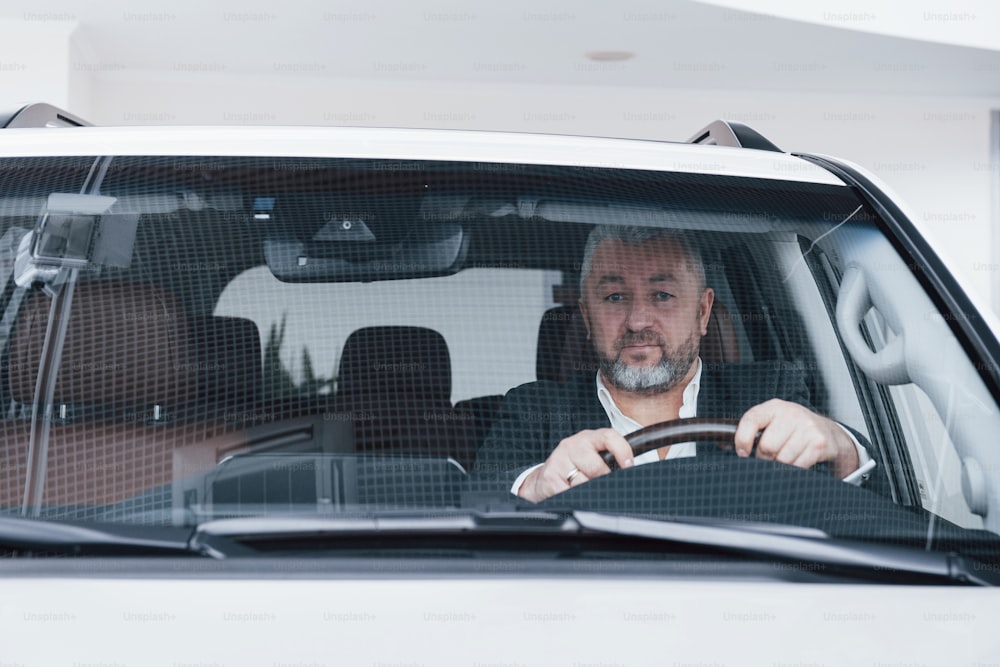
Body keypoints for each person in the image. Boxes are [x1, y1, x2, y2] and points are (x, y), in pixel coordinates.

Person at [473, 225, 876, 502]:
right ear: (586, 317)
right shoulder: (534, 409)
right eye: (614, 297)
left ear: (703, 313)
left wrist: (841, 446)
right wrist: (537, 483)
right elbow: (479, 498)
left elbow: (871, 506)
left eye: (662, 295)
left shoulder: (770, 392)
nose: (637, 321)